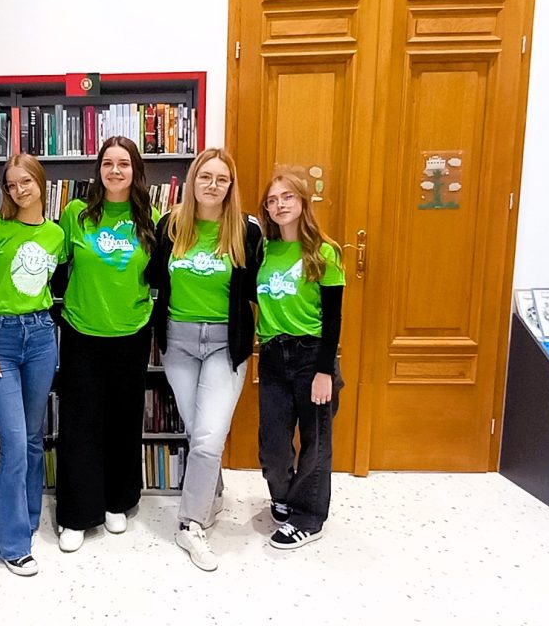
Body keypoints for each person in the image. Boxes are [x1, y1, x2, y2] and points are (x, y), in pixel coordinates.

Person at [145, 148, 262, 571]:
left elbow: (260, 286)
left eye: (222, 179)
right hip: (178, 342)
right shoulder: (171, 224)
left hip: (224, 344)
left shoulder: (247, 230)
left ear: (231, 186)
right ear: (193, 180)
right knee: (199, 430)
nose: (213, 185)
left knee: (210, 437)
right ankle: (212, 491)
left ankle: (189, 524)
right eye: (205, 176)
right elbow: (153, 278)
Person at [54, 136, 159, 552]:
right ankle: (77, 515)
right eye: (108, 163)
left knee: (123, 421)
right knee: (80, 425)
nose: (116, 170)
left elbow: (158, 274)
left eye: (124, 164)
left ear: (135, 171)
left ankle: (118, 501)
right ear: (98, 170)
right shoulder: (76, 214)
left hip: (131, 334)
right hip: (82, 334)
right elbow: (56, 268)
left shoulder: (151, 217)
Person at [0, 153, 64, 576]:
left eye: (26, 181)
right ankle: (13, 544)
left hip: (41, 336)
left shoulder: (57, 235)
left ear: (40, 182)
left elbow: (56, 285)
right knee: (13, 440)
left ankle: (28, 516)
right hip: (0, 339)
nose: (19, 190)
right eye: (11, 184)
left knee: (33, 437)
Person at [256, 167, 345, 550]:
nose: (279, 205)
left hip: (312, 357)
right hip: (273, 356)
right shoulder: (263, 250)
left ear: (303, 201)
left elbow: (333, 317)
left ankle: (308, 517)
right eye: (272, 200)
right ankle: (283, 495)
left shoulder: (324, 251)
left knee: (316, 441)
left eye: (287, 197)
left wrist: (325, 370)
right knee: (273, 444)